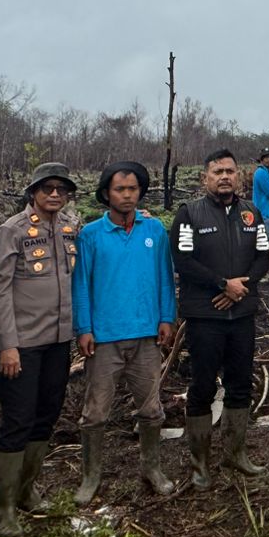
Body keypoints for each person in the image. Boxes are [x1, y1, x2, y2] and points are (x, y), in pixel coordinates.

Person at [73, 162, 177, 504]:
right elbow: (81, 286)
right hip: (104, 339)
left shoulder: (154, 230)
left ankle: (152, 468)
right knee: (96, 411)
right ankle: (91, 476)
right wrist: (84, 328)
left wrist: (166, 318)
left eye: (133, 189)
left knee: (150, 408)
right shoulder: (91, 235)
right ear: (106, 193)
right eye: (120, 189)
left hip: (146, 335)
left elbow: (164, 276)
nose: (127, 195)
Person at [0, 163, 81, 536]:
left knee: (46, 416)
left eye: (61, 189)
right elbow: (0, 290)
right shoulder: (12, 231)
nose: (54, 194)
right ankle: (4, 507)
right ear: (33, 193)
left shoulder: (69, 228)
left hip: (58, 342)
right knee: (17, 421)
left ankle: (27, 491)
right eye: (47, 188)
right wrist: (6, 345)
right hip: (22, 345)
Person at [171, 149, 269, 487]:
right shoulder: (189, 214)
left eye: (230, 170)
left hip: (241, 313)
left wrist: (241, 287)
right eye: (218, 171)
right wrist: (221, 285)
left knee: (240, 384)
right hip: (204, 316)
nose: (225, 176)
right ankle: (200, 463)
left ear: (239, 175)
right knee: (201, 386)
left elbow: (262, 257)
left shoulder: (251, 213)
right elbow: (183, 261)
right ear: (205, 178)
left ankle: (236, 454)